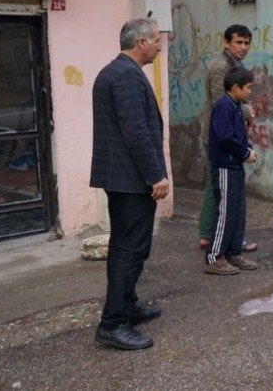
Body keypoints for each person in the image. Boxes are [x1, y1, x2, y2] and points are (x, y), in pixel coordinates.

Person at [90, 18, 170, 350]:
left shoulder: (117, 72)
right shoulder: (124, 76)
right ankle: (113, 324)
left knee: (128, 246)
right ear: (140, 42)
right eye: (155, 40)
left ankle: (127, 306)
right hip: (131, 179)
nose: (159, 45)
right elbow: (135, 131)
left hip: (123, 177)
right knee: (129, 249)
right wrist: (156, 175)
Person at [198, 25, 257, 254]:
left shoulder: (234, 64)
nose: (243, 47)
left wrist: (246, 109)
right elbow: (221, 105)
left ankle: (209, 235)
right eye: (238, 43)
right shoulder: (221, 67)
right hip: (220, 138)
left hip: (226, 135)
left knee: (217, 190)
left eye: (246, 43)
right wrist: (246, 112)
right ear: (226, 43)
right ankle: (216, 240)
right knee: (222, 192)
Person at [205, 67, 259, 275]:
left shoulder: (235, 106)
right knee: (226, 212)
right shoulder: (223, 106)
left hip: (235, 165)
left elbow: (238, 136)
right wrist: (244, 152)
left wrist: (248, 149)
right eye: (248, 88)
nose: (249, 92)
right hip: (225, 166)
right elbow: (226, 137)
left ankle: (233, 252)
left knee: (238, 211)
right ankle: (215, 257)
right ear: (235, 87)